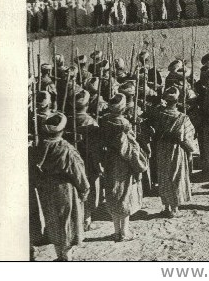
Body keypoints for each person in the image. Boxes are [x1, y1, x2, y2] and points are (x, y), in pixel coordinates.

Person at [30, 112, 89, 261]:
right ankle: (66, 257)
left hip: (47, 188)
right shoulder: (66, 149)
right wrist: (84, 189)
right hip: (65, 189)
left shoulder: (40, 147)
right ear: (62, 130)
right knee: (67, 221)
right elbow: (78, 172)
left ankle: (59, 255)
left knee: (53, 220)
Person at [100, 94, 147, 242]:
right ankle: (124, 231)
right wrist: (138, 164)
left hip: (109, 160)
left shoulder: (106, 121)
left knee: (113, 193)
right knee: (124, 194)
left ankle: (116, 231)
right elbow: (128, 149)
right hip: (123, 164)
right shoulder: (124, 126)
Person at [152, 87, 197, 217]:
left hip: (162, 148)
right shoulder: (183, 118)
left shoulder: (158, 115)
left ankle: (166, 206)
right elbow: (187, 137)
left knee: (164, 176)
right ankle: (174, 208)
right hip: (177, 149)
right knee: (176, 176)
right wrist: (191, 150)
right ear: (177, 101)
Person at [73, 90, 102, 231]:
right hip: (88, 161)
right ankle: (86, 221)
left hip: (74, 161)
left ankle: (78, 219)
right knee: (89, 189)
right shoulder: (90, 121)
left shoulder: (69, 120)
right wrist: (98, 164)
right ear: (87, 105)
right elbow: (95, 147)